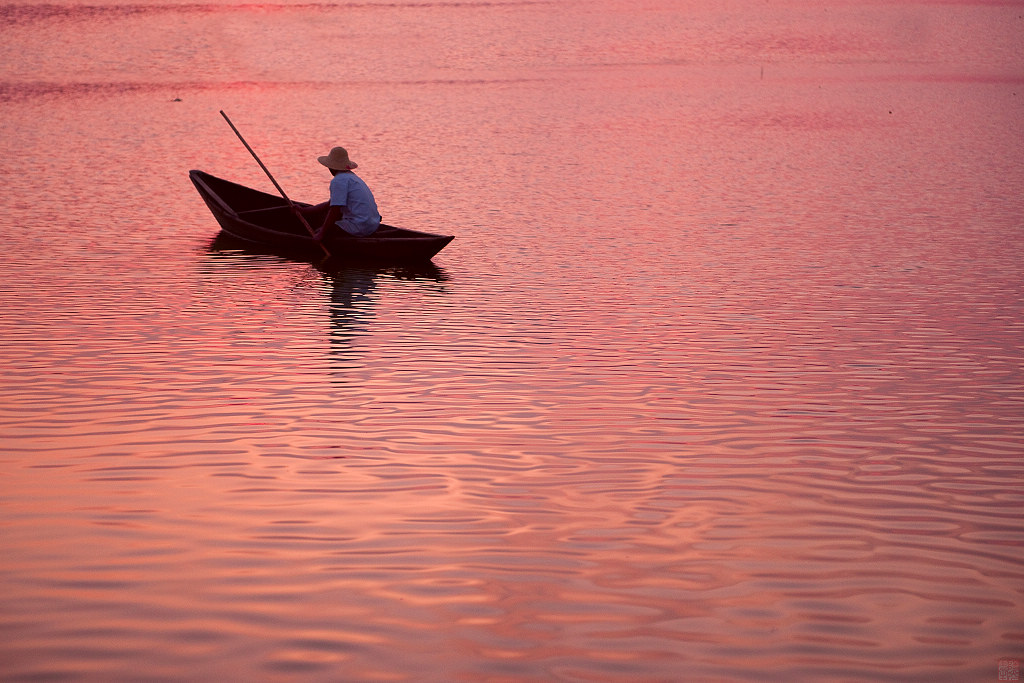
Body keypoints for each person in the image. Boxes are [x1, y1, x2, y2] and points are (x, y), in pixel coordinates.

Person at [295, 146, 381, 241]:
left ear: (331, 167)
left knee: (319, 231)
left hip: (359, 227)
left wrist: (322, 233)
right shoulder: (352, 178)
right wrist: (304, 210)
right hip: (373, 225)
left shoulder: (338, 180)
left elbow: (335, 210)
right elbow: (330, 204)